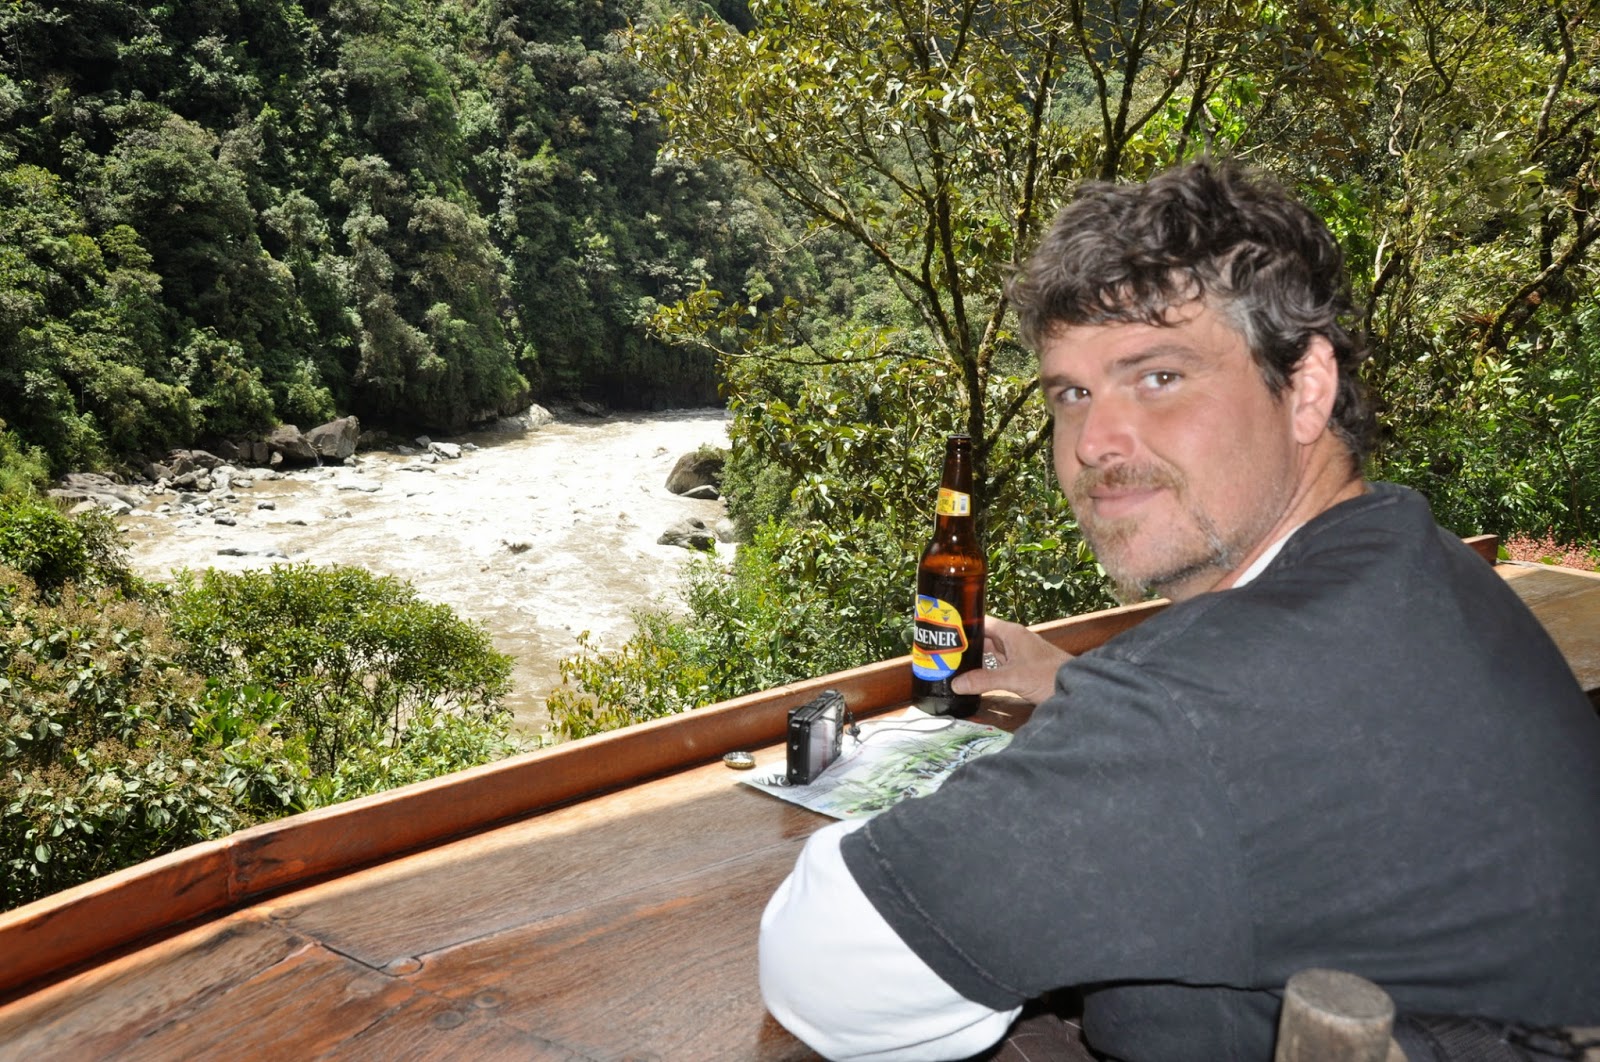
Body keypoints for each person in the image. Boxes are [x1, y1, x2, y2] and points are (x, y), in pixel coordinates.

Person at [757, 159, 1600, 1061]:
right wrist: (1077, 687)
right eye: (1072, 393)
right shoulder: (1403, 557)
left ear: (1306, 387)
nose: (1094, 442)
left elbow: (824, 969)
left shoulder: (1201, 705)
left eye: (1158, 376)